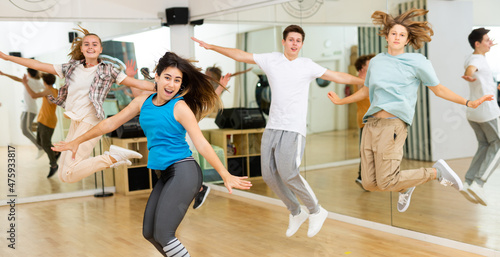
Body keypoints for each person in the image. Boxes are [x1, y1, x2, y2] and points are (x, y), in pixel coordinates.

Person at [52, 51, 252, 256]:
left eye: (177, 80)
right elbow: (110, 123)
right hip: (164, 173)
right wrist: (76, 141)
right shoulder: (143, 102)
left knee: (165, 234)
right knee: (149, 233)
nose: (171, 84)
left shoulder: (180, 107)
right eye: (167, 77)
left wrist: (225, 174)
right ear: (156, 77)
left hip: (184, 170)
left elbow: (201, 144)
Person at [193, 24, 364, 237]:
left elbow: (338, 76)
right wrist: (211, 47)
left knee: (289, 173)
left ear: (302, 44)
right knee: (268, 175)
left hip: (293, 128)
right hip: (273, 126)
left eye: (298, 40)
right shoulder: (271, 59)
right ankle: (295, 211)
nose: (294, 43)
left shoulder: (307, 65)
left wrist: (363, 80)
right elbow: (240, 55)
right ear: (283, 42)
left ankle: (316, 210)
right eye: (290, 39)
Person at [327, 8, 493, 213]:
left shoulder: (417, 62)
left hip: (393, 125)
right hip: (371, 125)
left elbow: (439, 89)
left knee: (386, 181)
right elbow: (367, 91)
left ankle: (435, 172)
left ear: (407, 40)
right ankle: (406, 185)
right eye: (394, 33)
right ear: (387, 36)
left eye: (402, 35)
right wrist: (342, 101)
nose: (397, 37)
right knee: (369, 183)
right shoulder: (377, 61)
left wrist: (469, 102)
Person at [0, 26, 155, 183]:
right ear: (81, 48)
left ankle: (112, 157)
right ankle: (113, 157)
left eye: (95, 44)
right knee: (62, 174)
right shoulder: (71, 68)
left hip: (90, 121)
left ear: (100, 49)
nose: (90, 47)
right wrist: (7, 58)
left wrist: (167, 88)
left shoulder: (109, 70)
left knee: (69, 174)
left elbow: (138, 84)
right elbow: (38, 65)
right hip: (76, 120)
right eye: (86, 44)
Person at [460, 27, 500, 206]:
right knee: (498, 145)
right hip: (487, 111)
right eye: (486, 40)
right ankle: (479, 183)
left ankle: (468, 182)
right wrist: (468, 76)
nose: (489, 42)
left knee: (485, 145)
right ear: (477, 44)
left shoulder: (474, 56)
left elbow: (472, 66)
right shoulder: (476, 59)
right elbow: (471, 70)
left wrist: (470, 74)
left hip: (473, 112)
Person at [21, 73, 61, 177]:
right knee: (40, 142)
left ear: (45, 82)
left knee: (45, 144)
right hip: (43, 120)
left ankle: (53, 165)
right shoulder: (53, 90)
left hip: (47, 121)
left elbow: (33, 95)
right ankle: (56, 153)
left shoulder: (49, 91)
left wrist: (25, 84)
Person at [0, 68, 45, 158]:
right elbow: (43, 90)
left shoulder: (28, 80)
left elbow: (16, 78)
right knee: (24, 129)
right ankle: (41, 146)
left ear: (28, 73)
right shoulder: (38, 82)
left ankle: (41, 147)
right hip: (27, 109)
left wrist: (4, 74)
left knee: (26, 130)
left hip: (29, 109)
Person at [352, 54, 375, 191]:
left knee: (369, 150)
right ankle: (363, 177)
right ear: (362, 67)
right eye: (370, 63)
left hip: (375, 120)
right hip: (366, 120)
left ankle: (364, 178)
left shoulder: (368, 79)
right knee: (367, 151)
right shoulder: (360, 81)